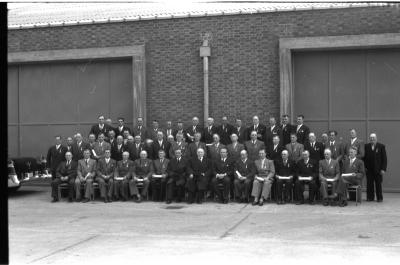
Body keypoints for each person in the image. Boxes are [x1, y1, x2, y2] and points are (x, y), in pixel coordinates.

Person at [364, 133, 387, 202]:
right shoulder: (366, 146)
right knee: (369, 184)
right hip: (369, 170)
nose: (372, 139)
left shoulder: (381, 146)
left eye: (373, 138)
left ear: (376, 138)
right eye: (371, 138)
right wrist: (365, 167)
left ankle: (379, 198)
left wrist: (383, 169)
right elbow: (364, 158)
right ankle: (370, 197)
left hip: (378, 170)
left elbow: (384, 159)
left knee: (378, 184)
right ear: (369, 139)